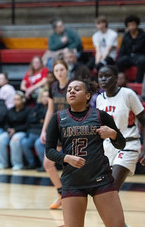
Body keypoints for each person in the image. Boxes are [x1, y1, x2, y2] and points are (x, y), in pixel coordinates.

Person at [46, 79, 126, 227]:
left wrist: (113, 134)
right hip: (73, 181)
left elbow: (121, 144)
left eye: (77, 89)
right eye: (69, 89)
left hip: (100, 178)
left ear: (88, 95)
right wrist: (65, 158)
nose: (71, 92)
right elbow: (49, 151)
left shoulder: (101, 116)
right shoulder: (58, 118)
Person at [96, 65, 145, 190]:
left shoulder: (128, 94)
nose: (103, 79)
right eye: (100, 76)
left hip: (128, 145)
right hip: (108, 147)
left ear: (116, 78)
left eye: (107, 76)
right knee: (106, 193)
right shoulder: (100, 99)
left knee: (110, 189)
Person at [40, 60, 70, 209]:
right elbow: (50, 110)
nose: (59, 73)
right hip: (57, 130)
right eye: (57, 70)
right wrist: (44, 130)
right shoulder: (53, 87)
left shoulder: (73, 86)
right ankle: (61, 193)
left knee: (70, 167)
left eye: (62, 70)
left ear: (67, 70)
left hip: (71, 129)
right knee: (47, 163)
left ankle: (73, 196)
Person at [0, 91, 31, 170]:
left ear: (23, 100)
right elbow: (5, 123)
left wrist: (15, 130)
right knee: (0, 139)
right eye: (15, 99)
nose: (16, 101)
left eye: (18, 99)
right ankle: (3, 163)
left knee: (14, 140)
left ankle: (18, 164)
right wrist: (8, 129)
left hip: (22, 131)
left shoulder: (28, 110)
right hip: (10, 131)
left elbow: (28, 125)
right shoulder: (10, 110)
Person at [116, 15, 145, 83]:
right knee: (120, 61)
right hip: (129, 56)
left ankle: (138, 82)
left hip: (140, 56)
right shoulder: (126, 36)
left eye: (133, 24)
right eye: (129, 25)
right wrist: (121, 57)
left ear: (137, 24)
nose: (131, 26)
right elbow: (122, 50)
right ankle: (122, 82)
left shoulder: (143, 35)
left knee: (142, 60)